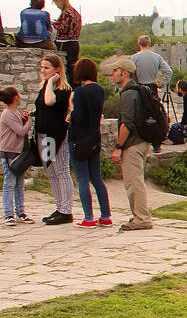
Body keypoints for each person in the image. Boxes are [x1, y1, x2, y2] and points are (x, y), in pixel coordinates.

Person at [104, 56, 153, 231]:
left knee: (134, 183)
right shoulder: (137, 91)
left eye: (115, 71)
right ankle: (139, 215)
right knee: (136, 181)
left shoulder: (128, 93)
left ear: (125, 73)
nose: (112, 74)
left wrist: (118, 146)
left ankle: (142, 218)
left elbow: (127, 123)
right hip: (142, 141)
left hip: (133, 144)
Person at [68, 58, 111, 228]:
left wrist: (70, 113)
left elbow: (77, 117)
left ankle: (88, 217)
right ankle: (106, 215)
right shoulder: (100, 90)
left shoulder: (80, 92)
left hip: (79, 138)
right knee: (97, 178)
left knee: (82, 178)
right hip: (94, 136)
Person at [33, 53, 75, 225]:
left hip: (57, 135)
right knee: (51, 172)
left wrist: (50, 82)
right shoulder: (44, 87)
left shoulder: (63, 90)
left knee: (61, 171)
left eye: (46, 68)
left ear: (56, 70)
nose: (43, 71)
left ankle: (66, 210)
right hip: (43, 134)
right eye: (41, 67)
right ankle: (59, 207)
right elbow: (43, 106)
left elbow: (50, 103)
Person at [1, 87, 35, 225]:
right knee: (9, 184)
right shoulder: (7, 114)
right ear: (15, 98)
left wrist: (23, 118)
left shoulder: (14, 113)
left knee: (19, 184)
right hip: (9, 153)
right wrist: (30, 122)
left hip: (18, 153)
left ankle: (21, 212)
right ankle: (9, 214)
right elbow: (20, 131)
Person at [51, 0, 82, 78]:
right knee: (73, 68)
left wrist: (53, 24)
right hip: (75, 43)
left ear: (60, 2)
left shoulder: (66, 12)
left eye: (57, 4)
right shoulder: (75, 12)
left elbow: (63, 29)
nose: (57, 6)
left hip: (64, 43)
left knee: (64, 69)